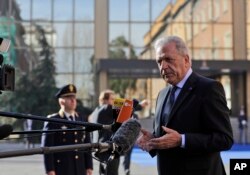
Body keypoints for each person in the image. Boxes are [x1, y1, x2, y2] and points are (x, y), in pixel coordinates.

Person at [137, 36, 234, 175]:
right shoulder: (162, 94)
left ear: (186, 60)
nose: (163, 66)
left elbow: (225, 139)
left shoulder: (209, 88)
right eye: (159, 61)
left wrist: (181, 140)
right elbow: (168, 138)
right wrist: (154, 141)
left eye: (168, 59)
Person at [42, 84, 93, 175]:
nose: (73, 100)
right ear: (61, 101)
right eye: (69, 97)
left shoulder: (81, 119)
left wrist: (89, 166)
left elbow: (87, 145)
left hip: (80, 168)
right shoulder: (53, 121)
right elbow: (47, 149)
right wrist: (50, 170)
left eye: (74, 97)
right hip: (62, 168)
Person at [89, 89, 120, 175]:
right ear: (105, 100)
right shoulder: (107, 108)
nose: (114, 102)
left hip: (100, 150)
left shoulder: (95, 112)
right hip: (109, 150)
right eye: (112, 99)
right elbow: (124, 107)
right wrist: (139, 105)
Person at [123, 99, 149, 175]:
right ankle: (125, 168)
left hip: (130, 139)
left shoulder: (135, 116)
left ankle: (126, 168)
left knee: (128, 155)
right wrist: (141, 104)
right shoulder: (123, 112)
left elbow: (137, 127)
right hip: (121, 138)